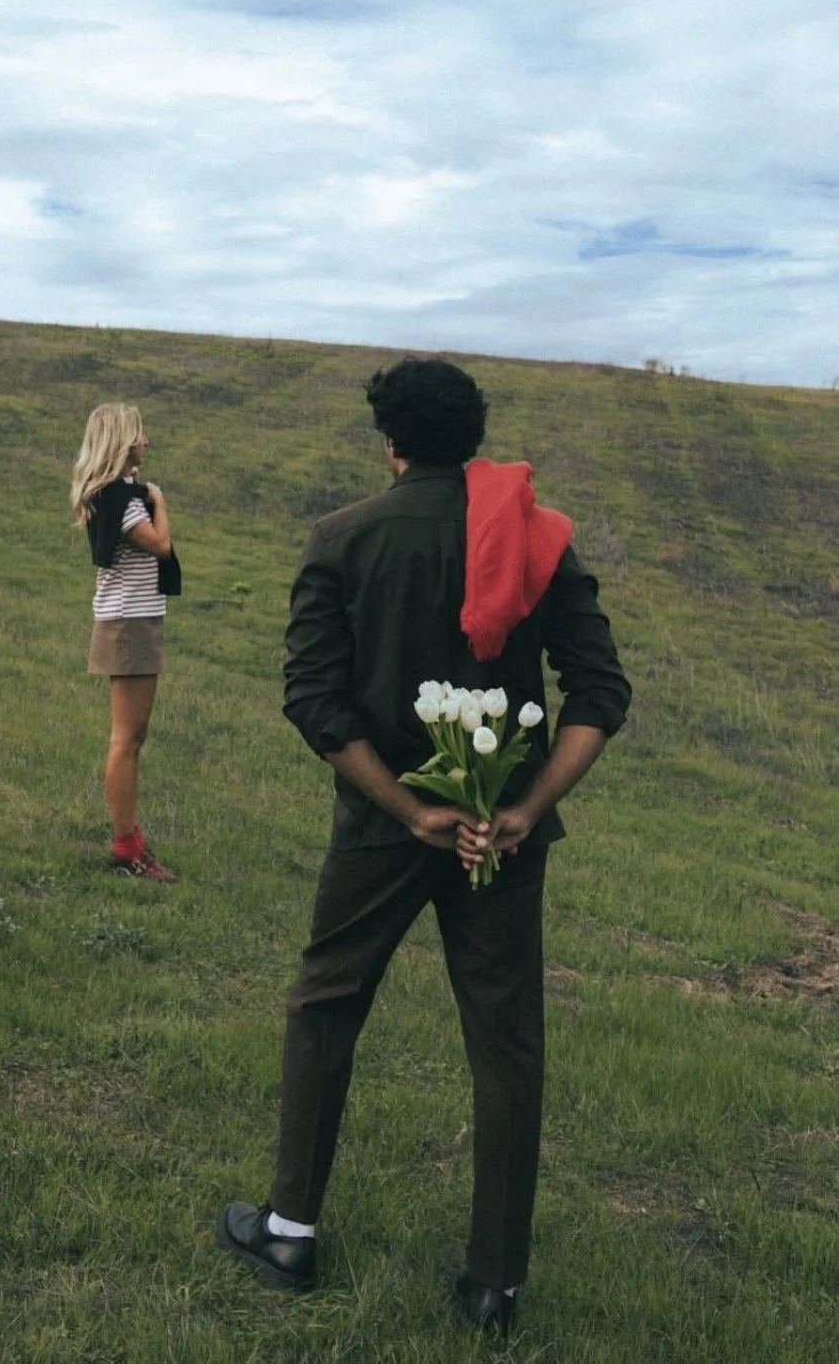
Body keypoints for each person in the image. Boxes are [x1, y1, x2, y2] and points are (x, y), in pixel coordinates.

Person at [217, 357, 630, 1336]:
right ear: (472, 436)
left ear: (390, 440)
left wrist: (406, 808)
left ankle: (289, 1231)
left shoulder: (341, 538)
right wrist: (523, 807)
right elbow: (600, 692)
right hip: (502, 834)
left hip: (379, 826)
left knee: (327, 1003)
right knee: (506, 1043)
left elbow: (313, 700)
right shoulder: (539, 537)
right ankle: (494, 1286)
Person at [70, 402, 181, 883]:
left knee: (131, 737)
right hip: (129, 624)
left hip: (130, 621)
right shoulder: (127, 500)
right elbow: (160, 545)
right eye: (139, 434)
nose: (146, 441)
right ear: (121, 440)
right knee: (127, 739)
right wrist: (161, 502)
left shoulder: (114, 494)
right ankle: (126, 850)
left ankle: (128, 845)